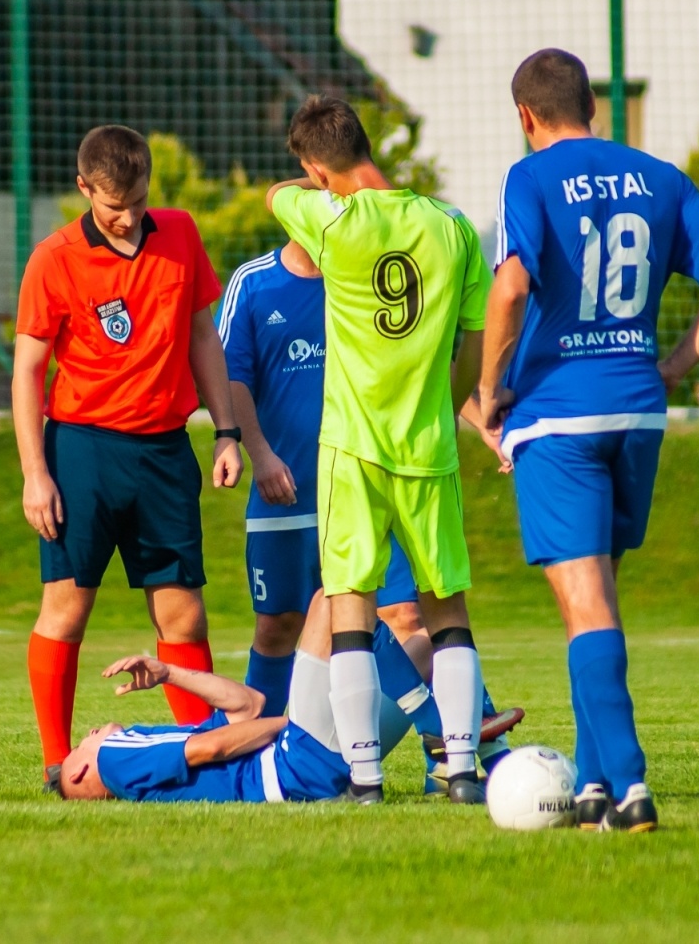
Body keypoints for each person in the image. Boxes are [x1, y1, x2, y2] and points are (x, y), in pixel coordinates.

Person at [476, 50, 699, 832]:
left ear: (525, 116)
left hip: (559, 416)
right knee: (596, 602)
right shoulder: (657, 176)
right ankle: (594, 783)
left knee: (586, 604)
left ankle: (631, 785)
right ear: (592, 107)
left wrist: (486, 388)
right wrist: (674, 364)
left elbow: (510, 285)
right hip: (636, 410)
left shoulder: (527, 178)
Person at [218, 238, 520, 789]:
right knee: (280, 626)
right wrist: (256, 453)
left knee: (407, 616)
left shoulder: (364, 276)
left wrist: (487, 428)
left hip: (367, 492)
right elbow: (230, 376)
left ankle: (463, 748)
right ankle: (250, 748)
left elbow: (417, 375)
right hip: (290, 493)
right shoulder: (255, 284)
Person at [265, 96, 492, 805]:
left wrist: (316, 183)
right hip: (427, 447)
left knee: (352, 607)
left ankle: (365, 780)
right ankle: (460, 771)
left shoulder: (329, 221)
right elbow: (477, 346)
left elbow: (277, 194)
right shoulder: (453, 228)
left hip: (352, 452)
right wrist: (447, 408)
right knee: (446, 610)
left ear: (314, 168)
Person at [13, 125, 245, 796]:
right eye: (115, 206)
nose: (130, 217)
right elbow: (27, 372)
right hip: (81, 451)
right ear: (83, 189)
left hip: (165, 452)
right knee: (66, 608)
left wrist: (224, 430)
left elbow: (203, 334)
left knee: (183, 615)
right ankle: (59, 763)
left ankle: (207, 753)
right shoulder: (54, 258)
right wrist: (36, 473)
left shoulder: (179, 234)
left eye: (139, 201)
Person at [57, 593, 415, 803]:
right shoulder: (113, 758)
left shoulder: (138, 772)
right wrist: (290, 723)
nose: (88, 735)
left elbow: (248, 705)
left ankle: (457, 745)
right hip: (296, 763)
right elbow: (209, 747)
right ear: (79, 773)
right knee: (331, 597)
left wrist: (168, 673)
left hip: (317, 771)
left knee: (421, 649)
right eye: (79, 747)